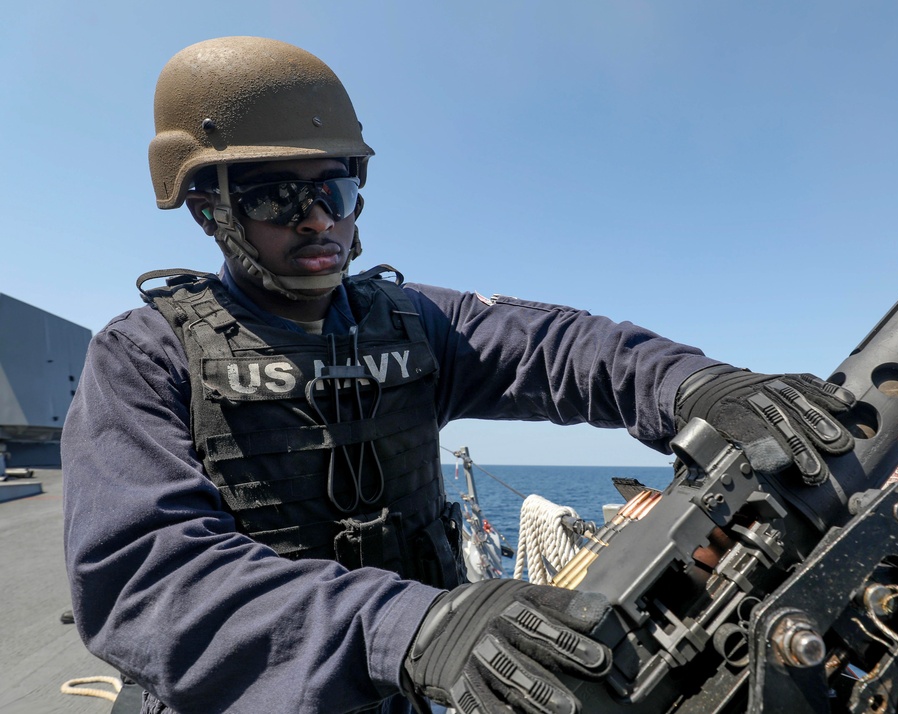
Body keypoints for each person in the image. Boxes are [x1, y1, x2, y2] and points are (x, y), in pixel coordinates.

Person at [62, 36, 857, 714]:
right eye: (278, 195)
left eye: (334, 189)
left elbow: (564, 347)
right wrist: (410, 628)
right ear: (208, 210)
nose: (317, 218)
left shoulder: (414, 323)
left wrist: (699, 388)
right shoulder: (145, 355)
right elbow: (146, 575)